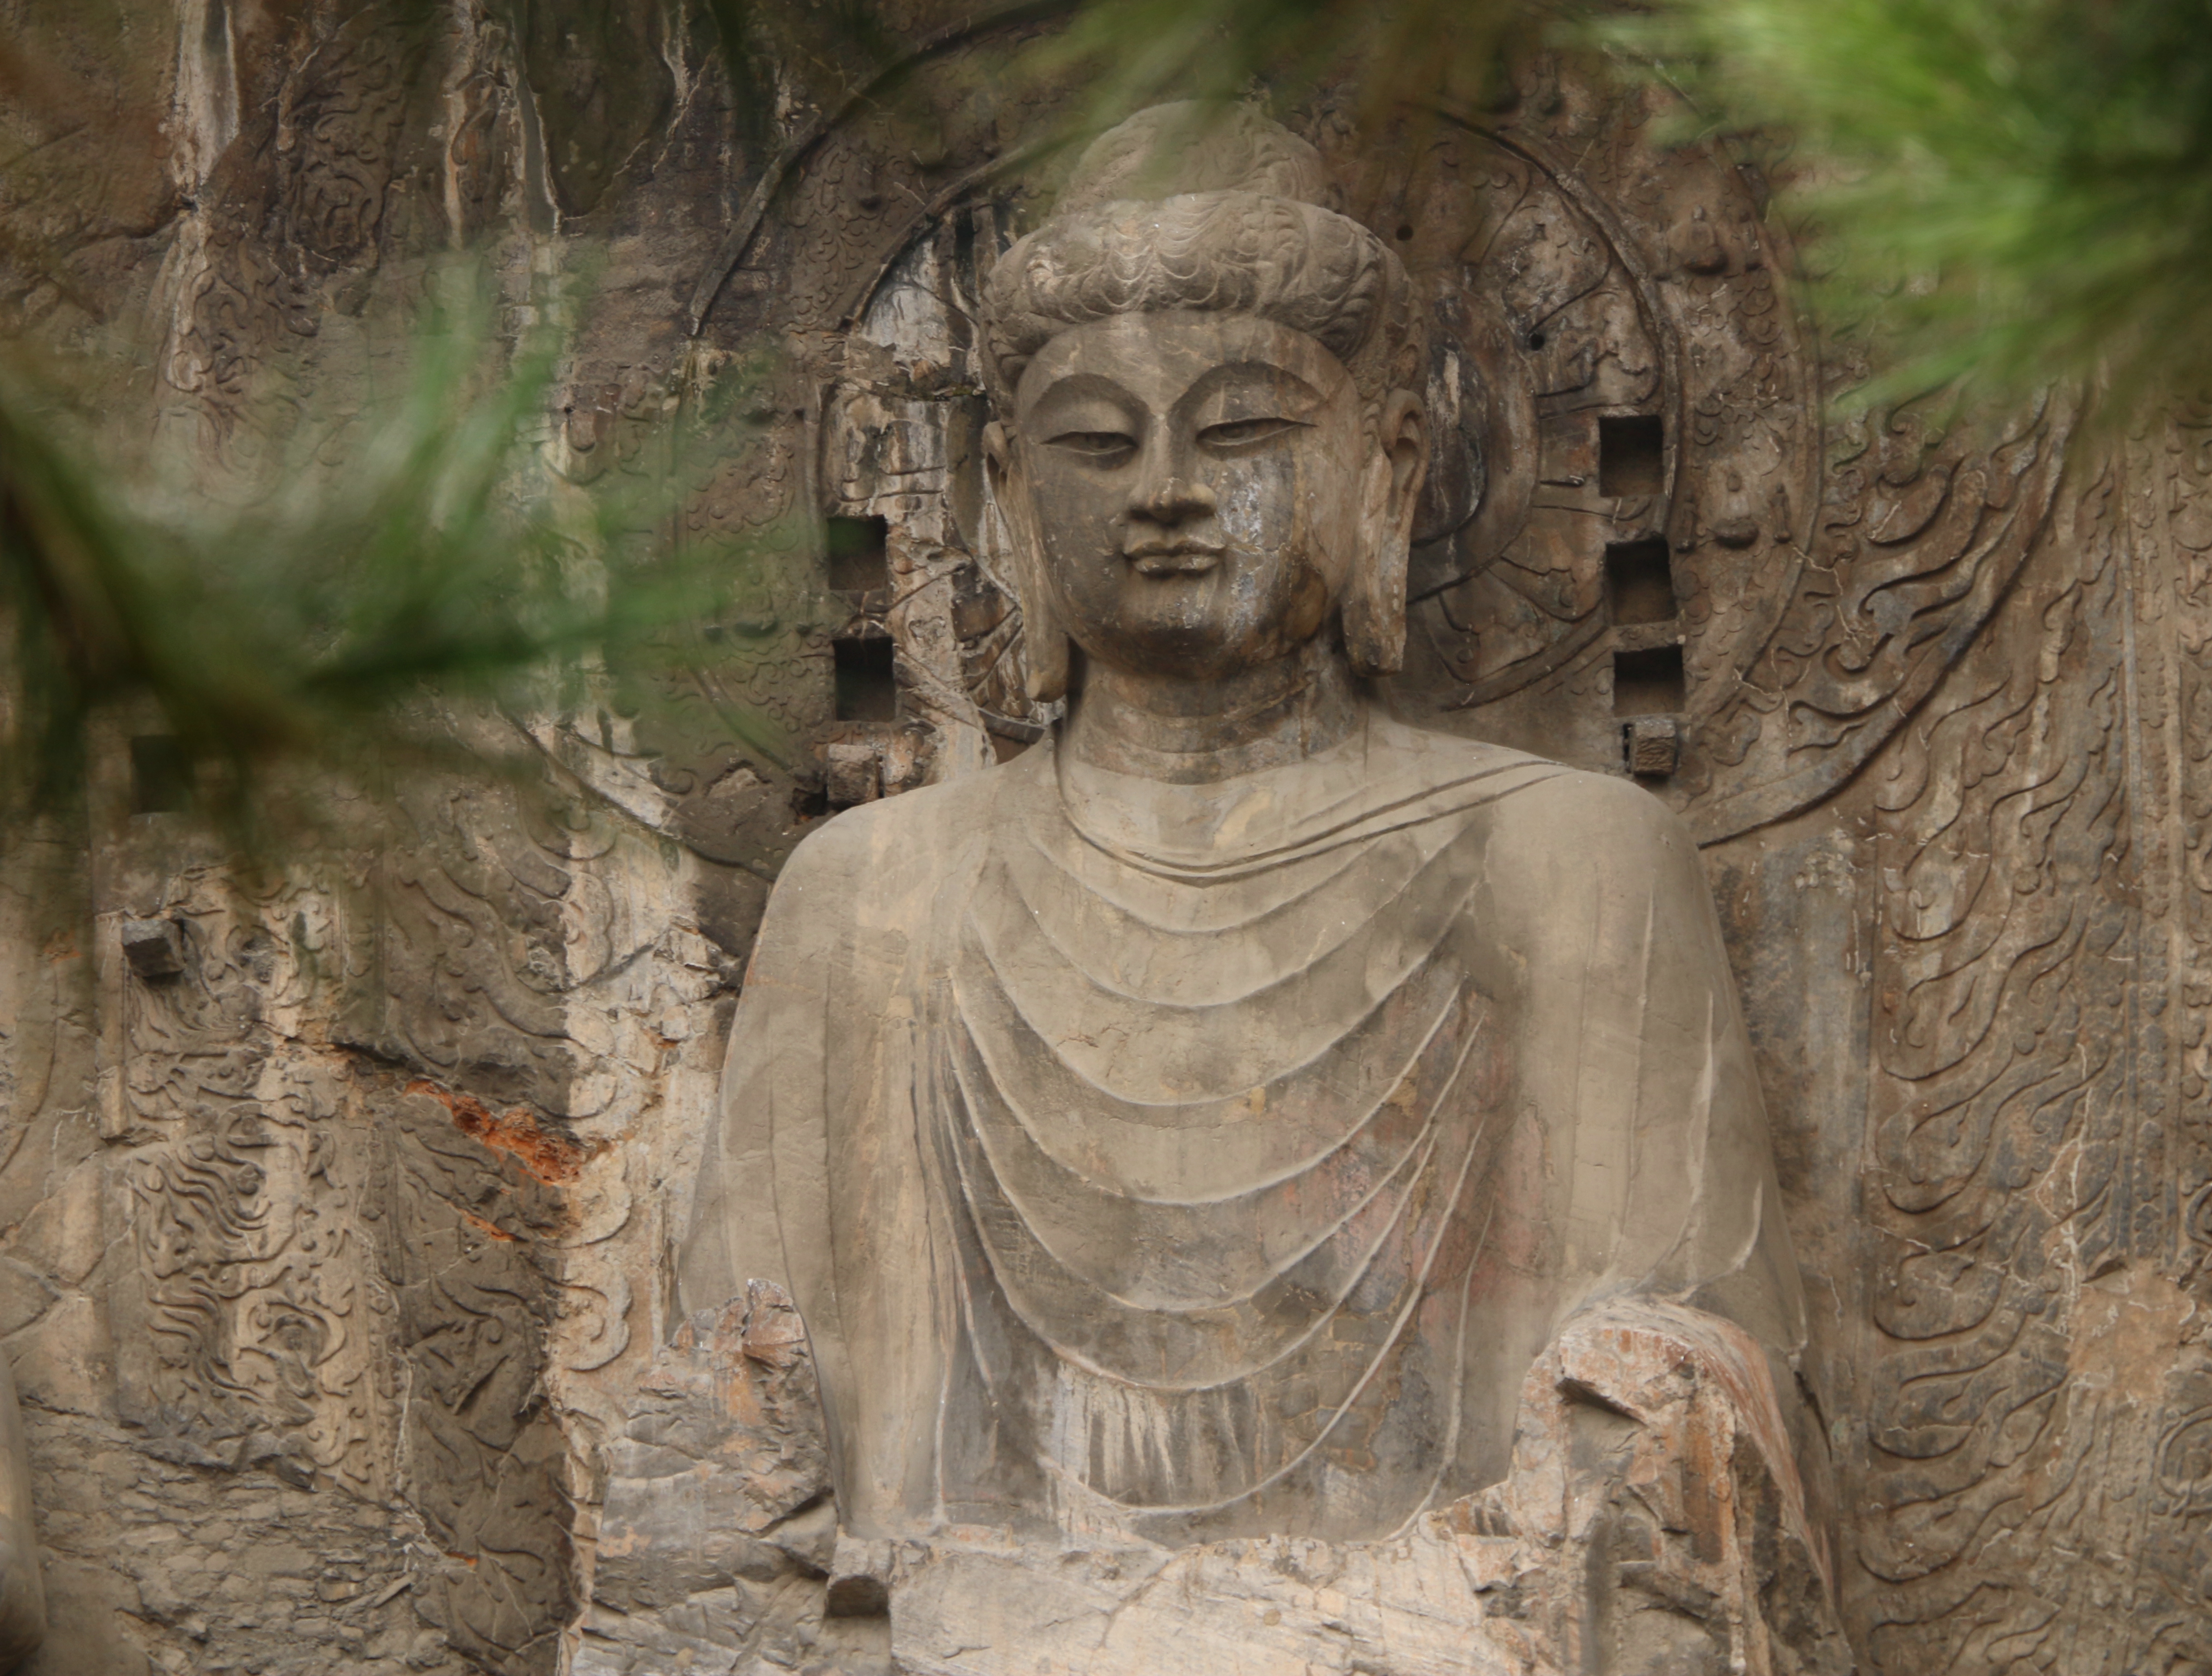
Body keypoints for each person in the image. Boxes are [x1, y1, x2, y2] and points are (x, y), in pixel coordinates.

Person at [680, 102, 1808, 1554]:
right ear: (1010, 497)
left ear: (1388, 470)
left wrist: (1642, 1419)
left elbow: (1683, 1401)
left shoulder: (1574, 862)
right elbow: (739, 1434)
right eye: (1095, 442)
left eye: (1246, 428)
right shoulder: (869, 896)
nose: (1165, 490)